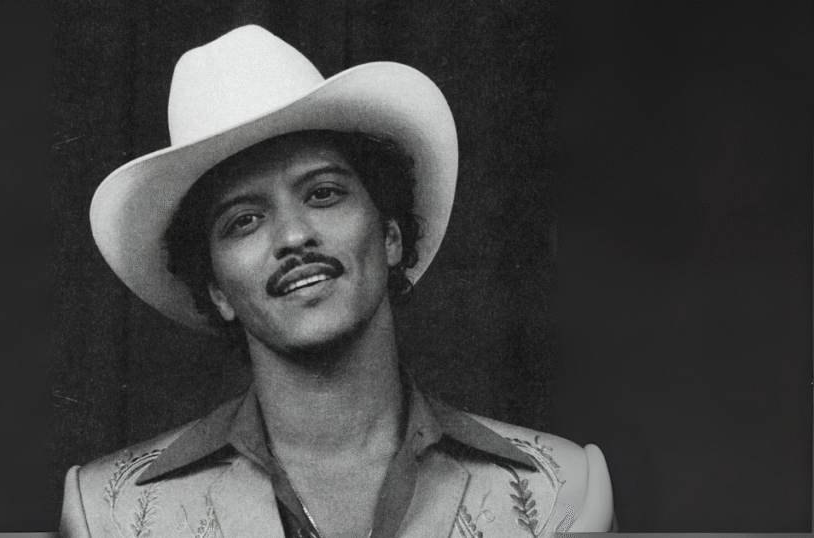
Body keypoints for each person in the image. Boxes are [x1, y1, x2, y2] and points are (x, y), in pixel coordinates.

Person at [60, 25, 615, 538]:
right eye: (243, 221)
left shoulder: (563, 493)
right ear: (217, 291)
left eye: (323, 193)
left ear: (390, 235)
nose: (293, 236)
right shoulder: (106, 516)